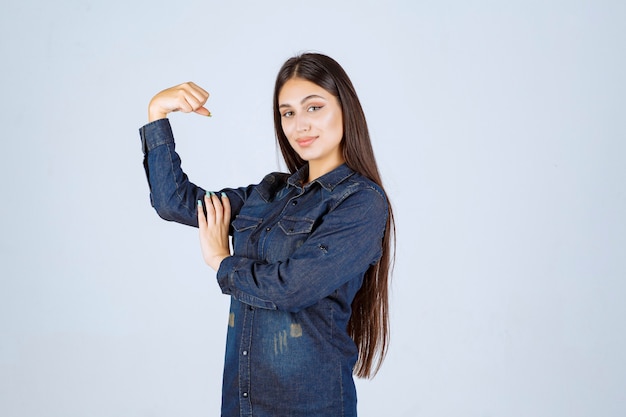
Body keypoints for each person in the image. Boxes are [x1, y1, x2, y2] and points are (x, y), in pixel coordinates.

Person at [139, 52, 395, 417]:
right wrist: (156, 113)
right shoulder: (269, 193)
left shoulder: (362, 203)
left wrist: (221, 262)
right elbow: (176, 202)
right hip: (242, 403)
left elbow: (292, 287)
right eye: (288, 113)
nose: (300, 125)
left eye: (314, 107)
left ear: (345, 109)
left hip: (311, 406)